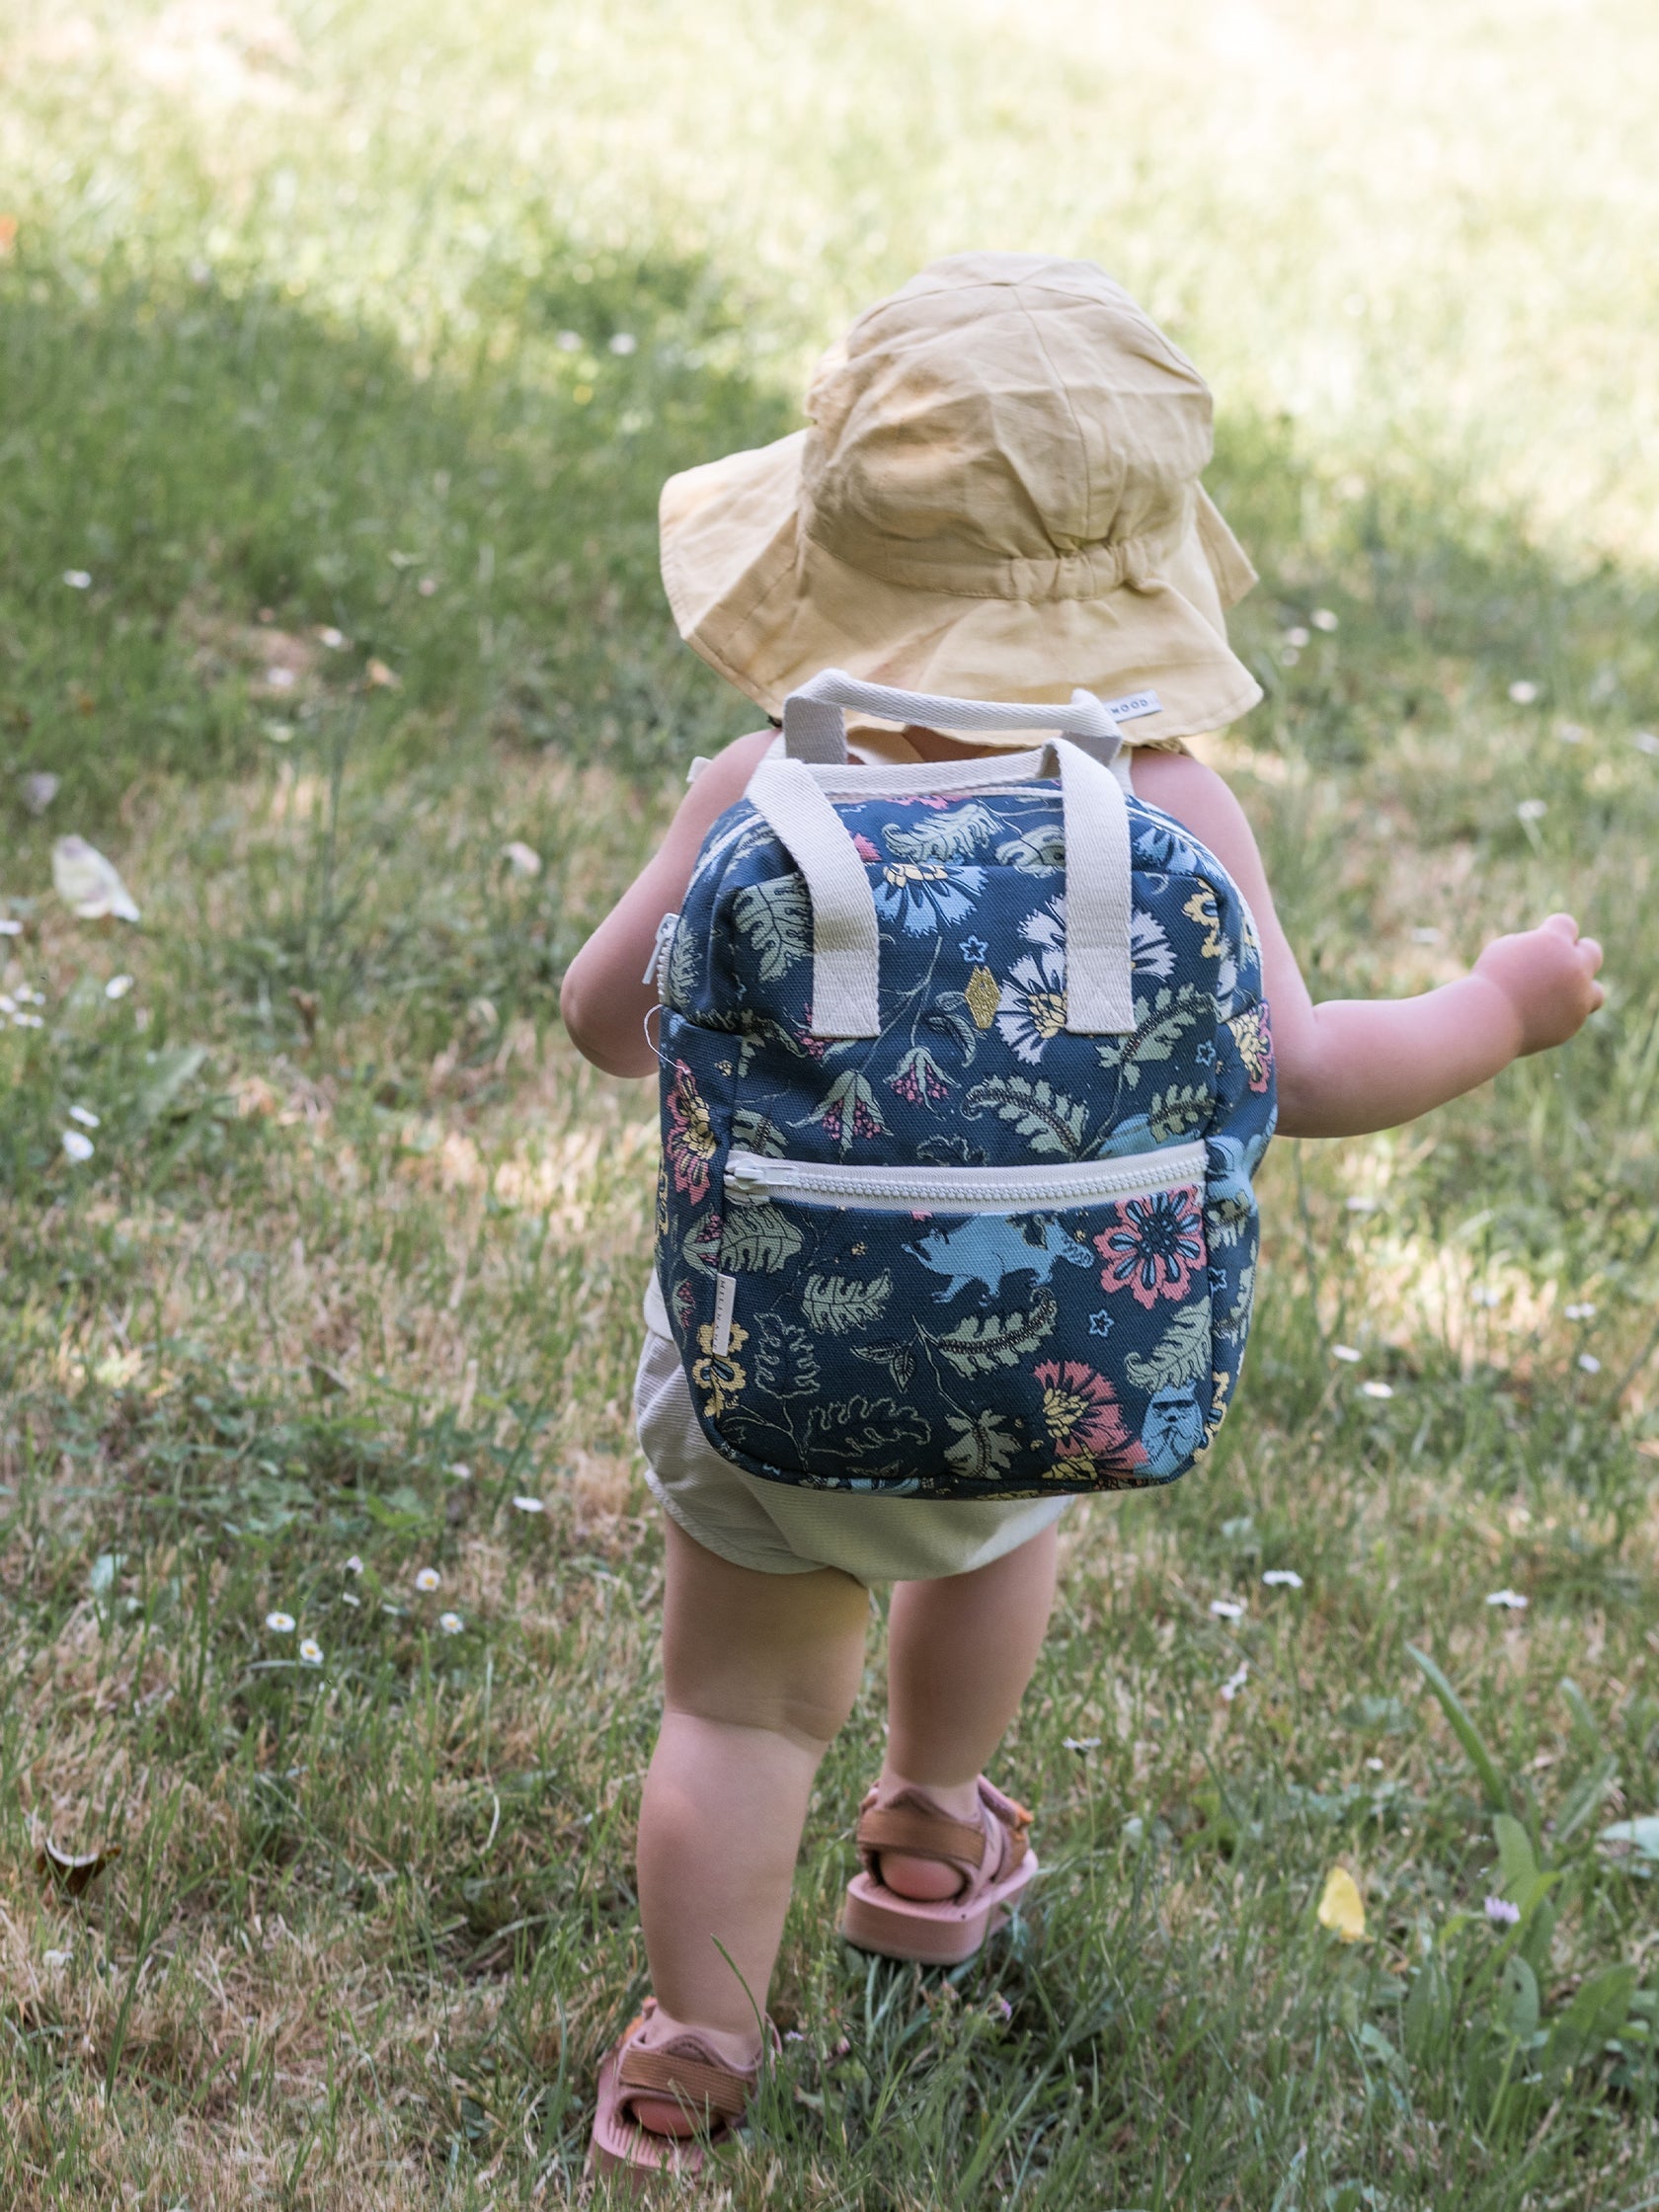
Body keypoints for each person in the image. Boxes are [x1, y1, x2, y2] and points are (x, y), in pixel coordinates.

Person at [559, 253, 1605, 2179]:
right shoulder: (1171, 810)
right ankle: (934, 1821)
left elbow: (600, 1027)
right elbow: (1312, 1072)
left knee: (734, 1705)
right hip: (1051, 1359)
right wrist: (1502, 1007)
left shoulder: (757, 790)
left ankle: (698, 2039)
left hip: (764, 1370)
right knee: (993, 1529)